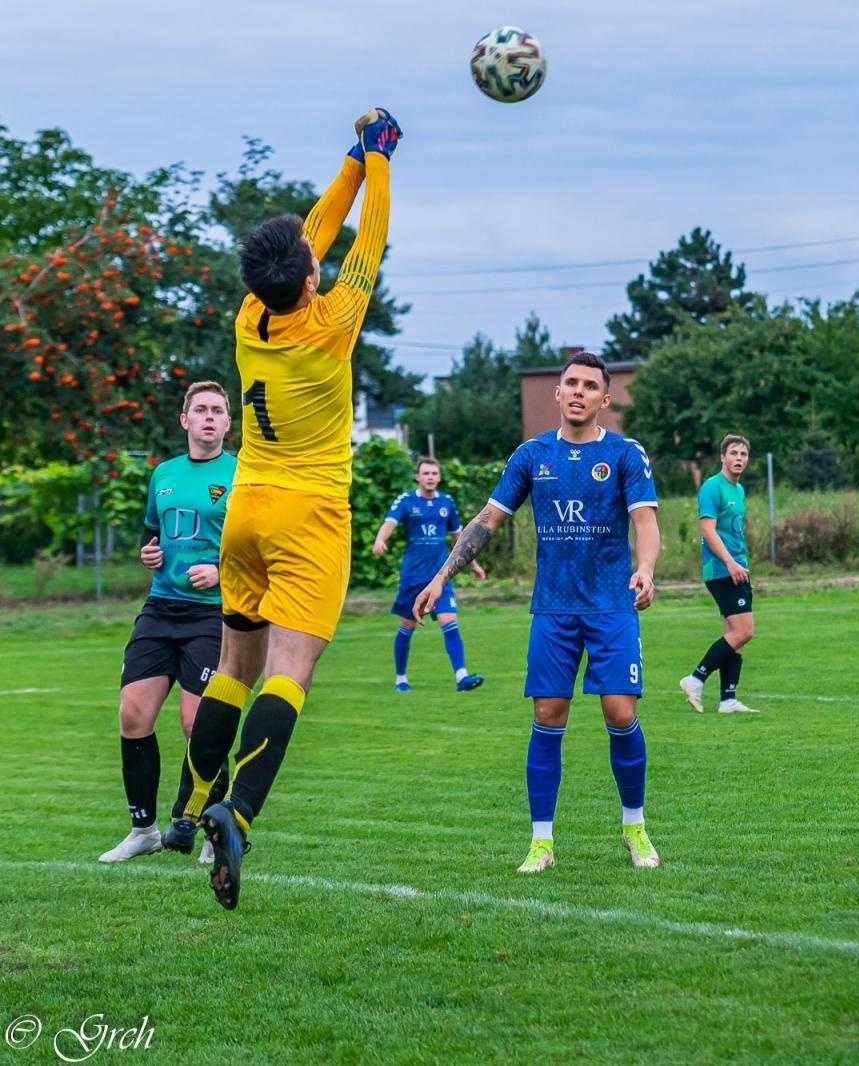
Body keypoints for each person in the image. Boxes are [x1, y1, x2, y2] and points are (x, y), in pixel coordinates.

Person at [171, 108, 402, 909]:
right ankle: (237, 810)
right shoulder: (331, 324)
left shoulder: (249, 315)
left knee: (233, 666)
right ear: (310, 281)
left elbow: (315, 235)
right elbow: (364, 242)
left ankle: (186, 808)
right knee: (288, 672)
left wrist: (355, 158)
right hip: (308, 516)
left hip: (245, 514)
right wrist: (381, 162)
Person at [414, 351, 662, 873]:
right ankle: (541, 843)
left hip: (611, 605)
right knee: (548, 716)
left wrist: (646, 569)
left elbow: (644, 520)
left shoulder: (624, 453)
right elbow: (486, 521)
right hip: (553, 610)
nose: (578, 392)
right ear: (557, 393)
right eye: (570, 383)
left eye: (589, 386)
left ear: (604, 398)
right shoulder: (531, 455)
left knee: (621, 712)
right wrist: (439, 577)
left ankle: (635, 828)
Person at [98, 382, 237, 866]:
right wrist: (147, 552)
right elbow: (151, 534)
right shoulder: (164, 474)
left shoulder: (243, 474)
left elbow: (258, 549)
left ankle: (209, 828)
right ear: (184, 420)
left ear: (227, 424)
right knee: (133, 714)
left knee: (199, 722)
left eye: (217, 411)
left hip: (213, 615)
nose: (208, 417)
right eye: (199, 409)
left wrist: (221, 570)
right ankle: (143, 830)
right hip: (160, 609)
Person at [372, 456, 486, 693]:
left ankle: (462, 676)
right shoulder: (406, 500)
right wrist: (380, 539)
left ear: (439, 477)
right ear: (418, 477)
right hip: (413, 577)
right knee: (407, 627)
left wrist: (473, 564)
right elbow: (390, 522)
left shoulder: (446, 502)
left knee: (450, 622)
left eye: (434, 473)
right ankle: (401, 678)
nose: (430, 477)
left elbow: (460, 538)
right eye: (426, 473)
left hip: (440, 577)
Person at [680, 435, 758, 714]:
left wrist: (740, 562)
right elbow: (708, 530)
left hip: (737, 567)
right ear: (722, 457)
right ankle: (696, 678)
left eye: (744, 454)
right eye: (734, 453)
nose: (739, 458)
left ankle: (728, 699)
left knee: (734, 634)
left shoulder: (739, 490)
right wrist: (730, 563)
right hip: (722, 570)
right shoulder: (712, 487)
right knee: (744, 631)